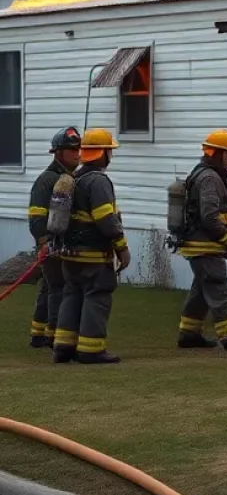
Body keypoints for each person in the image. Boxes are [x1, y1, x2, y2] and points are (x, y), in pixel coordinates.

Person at [175, 130, 227, 352]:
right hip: (206, 245)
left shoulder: (202, 174)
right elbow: (209, 215)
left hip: (199, 244)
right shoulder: (210, 178)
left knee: (201, 289)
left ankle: (189, 333)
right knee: (217, 285)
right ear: (219, 154)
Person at [53, 128, 131, 365]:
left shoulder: (73, 178)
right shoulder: (98, 181)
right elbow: (106, 219)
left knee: (72, 296)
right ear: (103, 153)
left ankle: (63, 347)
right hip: (94, 256)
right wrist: (122, 248)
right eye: (110, 152)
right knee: (97, 295)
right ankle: (91, 349)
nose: (111, 157)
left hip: (70, 255)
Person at [27, 127, 82, 348]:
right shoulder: (48, 180)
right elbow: (37, 216)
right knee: (59, 286)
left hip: (59, 242)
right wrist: (43, 242)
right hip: (51, 243)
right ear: (58, 153)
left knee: (49, 287)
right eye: (72, 150)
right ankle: (55, 335)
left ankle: (38, 334)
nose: (77, 153)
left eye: (79, 149)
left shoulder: (68, 178)